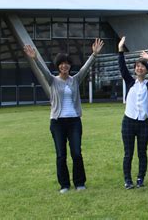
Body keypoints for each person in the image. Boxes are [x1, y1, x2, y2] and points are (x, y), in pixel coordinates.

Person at [23, 38, 104, 194]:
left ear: (69, 66)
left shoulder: (75, 80)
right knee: (61, 155)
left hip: (74, 122)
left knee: (76, 153)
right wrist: (35, 58)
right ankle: (64, 185)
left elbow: (86, 68)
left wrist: (94, 54)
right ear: (58, 66)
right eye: (61, 63)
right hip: (57, 122)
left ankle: (80, 183)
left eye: (66, 63)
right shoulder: (52, 81)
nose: (64, 66)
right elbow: (43, 70)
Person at [117, 36, 148, 190]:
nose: (139, 68)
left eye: (142, 66)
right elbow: (122, 67)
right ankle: (127, 180)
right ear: (135, 69)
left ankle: (140, 179)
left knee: (142, 153)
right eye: (137, 66)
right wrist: (120, 50)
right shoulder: (130, 82)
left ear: (146, 70)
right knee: (128, 153)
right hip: (128, 121)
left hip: (143, 122)